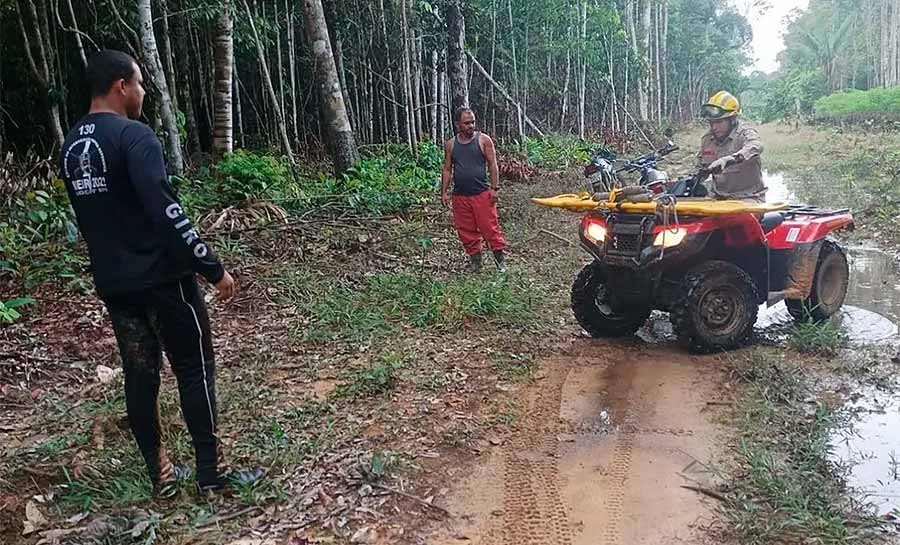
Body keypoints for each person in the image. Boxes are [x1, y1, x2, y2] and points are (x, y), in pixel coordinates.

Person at [59, 50, 255, 497]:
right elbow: (168, 213)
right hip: (164, 281)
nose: (143, 92)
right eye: (140, 83)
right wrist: (211, 266)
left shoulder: (72, 146)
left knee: (140, 373)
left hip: (116, 284)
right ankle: (212, 472)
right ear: (120, 86)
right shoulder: (135, 136)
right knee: (194, 368)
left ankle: (160, 475)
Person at [441, 108, 508, 273]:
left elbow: (493, 165)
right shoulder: (451, 145)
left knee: (490, 228)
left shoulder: (483, 140)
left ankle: (501, 264)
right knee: (466, 231)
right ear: (458, 125)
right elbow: (447, 169)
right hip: (460, 196)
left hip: (482, 194)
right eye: (466, 123)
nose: (471, 126)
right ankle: (476, 263)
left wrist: (495, 188)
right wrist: (444, 192)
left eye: (472, 122)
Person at [697, 91, 766, 202]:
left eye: (719, 122)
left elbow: (756, 146)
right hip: (718, 198)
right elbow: (699, 168)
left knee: (732, 219)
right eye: (711, 123)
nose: (714, 127)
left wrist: (730, 159)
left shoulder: (745, 134)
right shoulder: (707, 139)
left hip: (748, 198)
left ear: (732, 119)